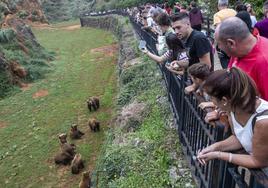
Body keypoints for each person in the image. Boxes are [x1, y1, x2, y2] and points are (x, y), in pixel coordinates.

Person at [197, 67, 268, 169]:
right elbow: (240, 138)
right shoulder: (232, 109)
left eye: (211, 98)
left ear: (224, 100)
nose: (211, 102)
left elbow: (258, 161)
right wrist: (215, 147)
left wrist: (219, 155)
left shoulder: (263, 122)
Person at [215, 17, 268, 101]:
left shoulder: (264, 62)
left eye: (219, 44)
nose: (219, 48)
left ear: (231, 43)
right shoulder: (238, 51)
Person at [213, 0, 236, 68]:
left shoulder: (217, 15)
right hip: (235, 40)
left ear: (218, 5)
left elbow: (218, 30)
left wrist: (216, 44)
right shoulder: (234, 12)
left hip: (224, 42)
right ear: (227, 4)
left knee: (225, 64)